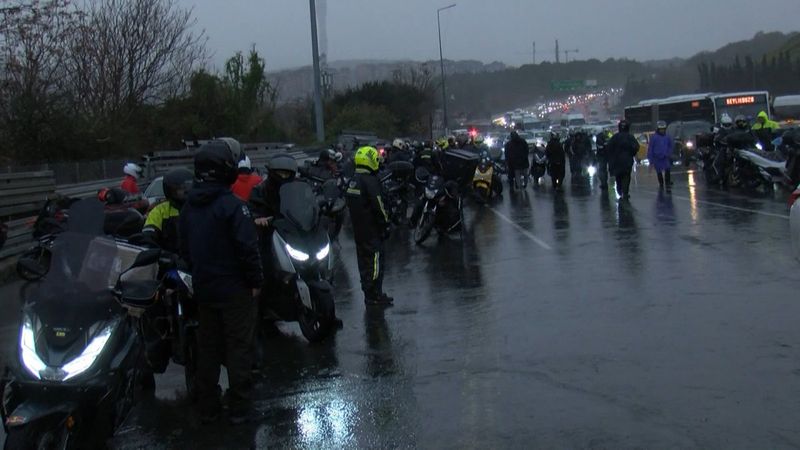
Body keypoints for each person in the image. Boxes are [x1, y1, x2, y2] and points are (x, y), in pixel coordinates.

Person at [179, 141, 263, 425]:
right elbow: (247, 248)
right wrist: (255, 281)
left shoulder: (189, 206)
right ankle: (239, 405)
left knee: (209, 348)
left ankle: (208, 404)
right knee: (239, 346)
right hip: (234, 288)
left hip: (204, 288)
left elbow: (185, 249)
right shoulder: (232, 207)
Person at [345, 146, 393, 307]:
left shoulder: (353, 180)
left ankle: (369, 293)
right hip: (372, 229)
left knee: (363, 262)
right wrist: (386, 223)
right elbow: (378, 205)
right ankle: (375, 295)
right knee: (375, 261)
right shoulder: (370, 181)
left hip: (359, 230)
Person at [142, 168, 193, 253]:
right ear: (169, 190)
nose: (185, 192)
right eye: (179, 189)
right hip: (171, 261)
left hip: (201, 261)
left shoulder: (202, 206)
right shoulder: (160, 210)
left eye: (187, 188)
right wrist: (163, 256)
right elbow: (148, 236)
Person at [606, 120, 640, 200]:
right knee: (626, 177)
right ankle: (624, 192)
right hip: (627, 162)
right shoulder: (630, 137)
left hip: (617, 162)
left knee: (619, 177)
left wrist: (611, 158)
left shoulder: (615, 137)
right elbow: (636, 147)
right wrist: (632, 153)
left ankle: (621, 191)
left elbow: (608, 148)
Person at [647, 121, 674, 189]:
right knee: (659, 171)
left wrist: (669, 153)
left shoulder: (667, 137)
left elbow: (670, 146)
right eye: (661, 129)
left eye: (663, 129)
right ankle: (661, 183)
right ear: (658, 129)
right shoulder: (654, 138)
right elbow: (650, 148)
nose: (662, 130)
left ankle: (667, 182)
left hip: (665, 157)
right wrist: (651, 159)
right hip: (657, 158)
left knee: (667, 169)